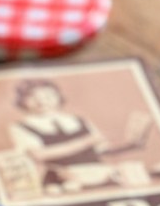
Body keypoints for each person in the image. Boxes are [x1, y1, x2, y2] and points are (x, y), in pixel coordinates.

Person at [8, 79, 149, 194]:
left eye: (48, 96)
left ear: (58, 97)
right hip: (62, 178)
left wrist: (130, 146)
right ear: (23, 101)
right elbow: (39, 155)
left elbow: (101, 150)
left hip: (98, 174)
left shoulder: (79, 120)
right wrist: (86, 142)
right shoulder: (21, 127)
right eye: (33, 97)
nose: (42, 101)